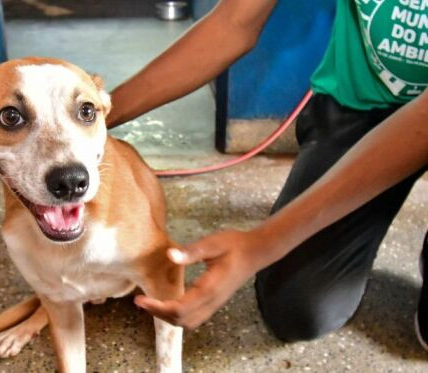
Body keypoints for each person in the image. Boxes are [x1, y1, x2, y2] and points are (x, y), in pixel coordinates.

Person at [105, 0, 428, 345]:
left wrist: (263, 243)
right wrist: (96, 114)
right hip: (360, 105)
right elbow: (233, 24)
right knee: (297, 307)